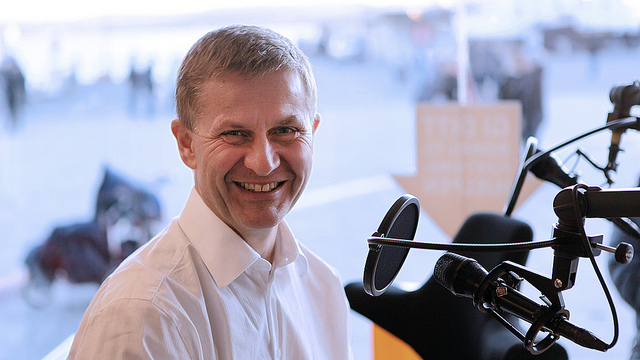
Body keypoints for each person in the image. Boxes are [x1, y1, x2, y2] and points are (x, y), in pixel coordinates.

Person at [67, 25, 353, 359]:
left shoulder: (324, 287)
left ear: (312, 134)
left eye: (286, 130)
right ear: (186, 144)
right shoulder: (143, 314)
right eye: (235, 133)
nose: (264, 163)